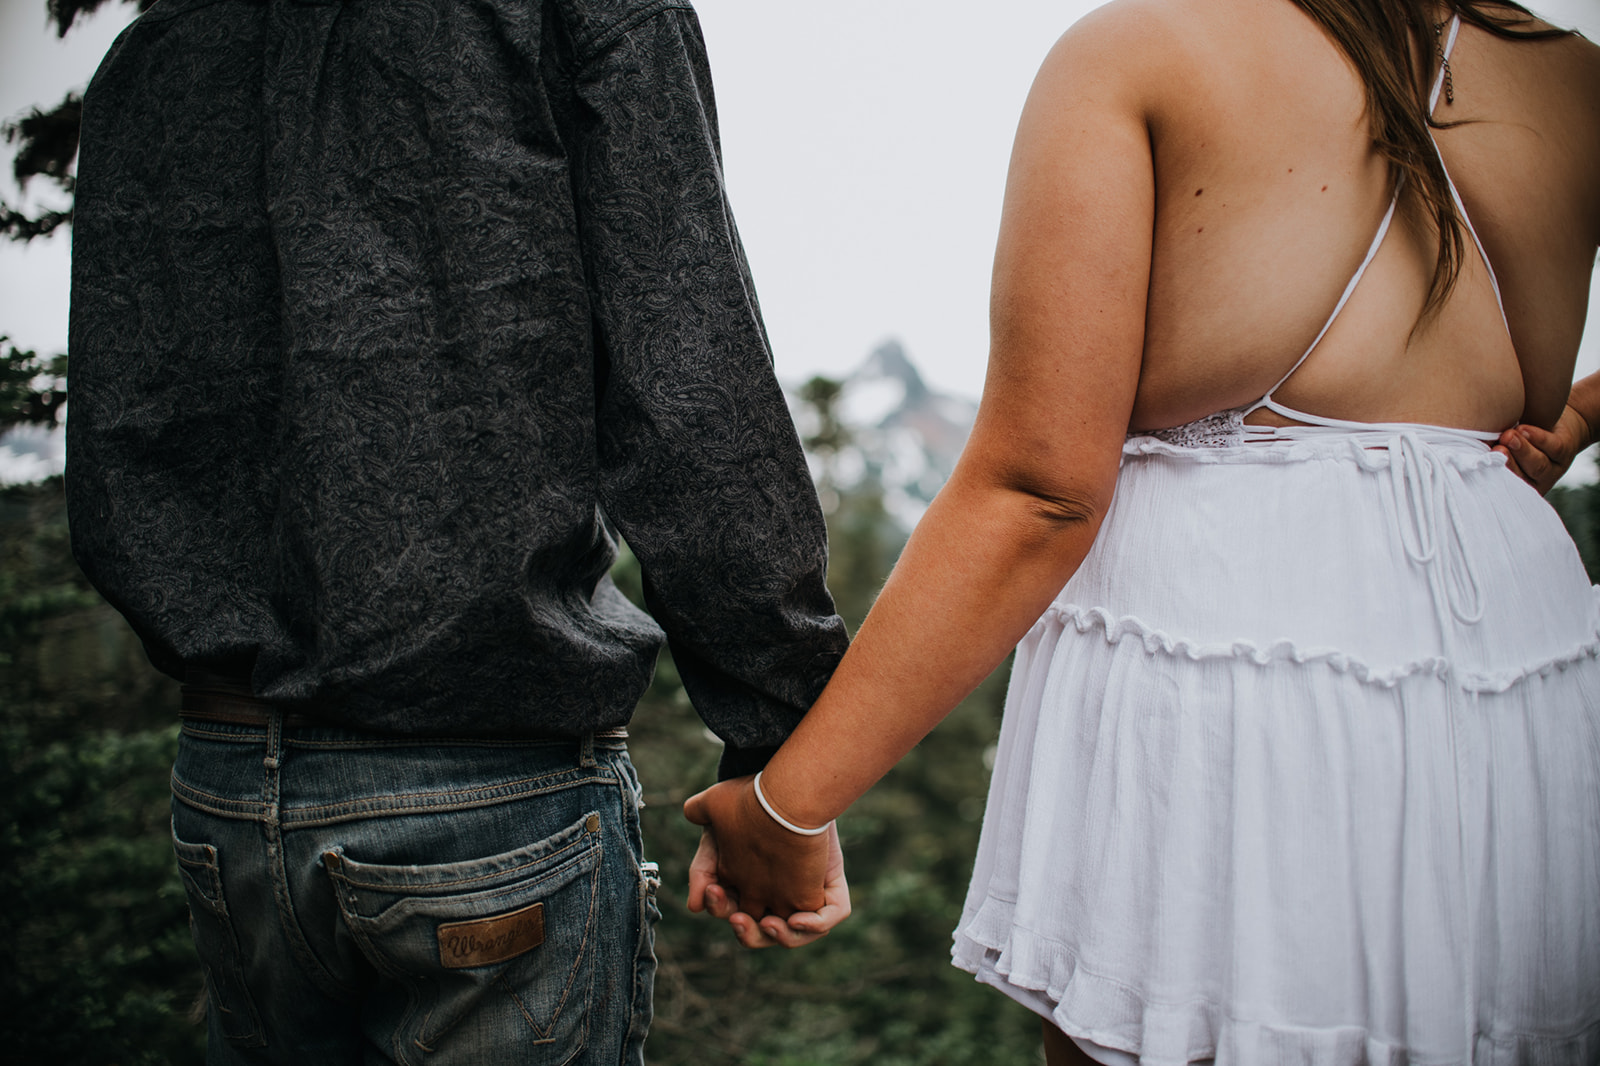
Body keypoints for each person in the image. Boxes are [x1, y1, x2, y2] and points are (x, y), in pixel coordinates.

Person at [686, 0, 1600, 1061]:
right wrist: (1570, 420)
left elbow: (1038, 493)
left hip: (1231, 654)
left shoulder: (1148, 52)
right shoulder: (1569, 79)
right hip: (1523, 671)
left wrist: (788, 808)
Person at [65, 0, 850, 1061]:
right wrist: (781, 757)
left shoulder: (166, 30)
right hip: (490, 794)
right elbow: (687, 381)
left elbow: (135, 411)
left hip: (227, 786)